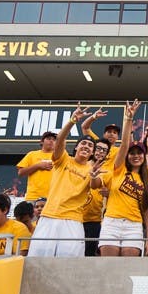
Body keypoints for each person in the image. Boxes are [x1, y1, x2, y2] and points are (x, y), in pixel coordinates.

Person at [27, 105, 101, 258]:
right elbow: (60, 140)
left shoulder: (91, 169)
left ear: (93, 152)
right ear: (76, 147)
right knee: (38, 259)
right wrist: (72, 121)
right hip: (49, 216)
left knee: (69, 262)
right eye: (83, 144)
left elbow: (95, 185)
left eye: (90, 146)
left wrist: (93, 176)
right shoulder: (63, 160)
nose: (86, 147)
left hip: (73, 220)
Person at [95, 99, 148, 257]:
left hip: (134, 226)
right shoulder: (119, 170)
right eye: (132, 153)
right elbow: (124, 145)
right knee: (108, 267)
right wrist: (128, 119)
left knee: (128, 269)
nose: (135, 156)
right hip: (111, 222)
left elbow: (147, 210)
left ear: (144, 155)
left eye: (139, 153)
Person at [82, 138, 111, 256]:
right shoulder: (81, 165)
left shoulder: (108, 171)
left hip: (94, 221)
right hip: (75, 218)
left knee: (89, 257)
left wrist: (109, 193)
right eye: (98, 148)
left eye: (104, 150)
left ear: (107, 154)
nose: (100, 152)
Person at [16, 131, 57, 203]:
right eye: (48, 138)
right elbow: (20, 172)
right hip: (33, 197)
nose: (51, 141)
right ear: (41, 142)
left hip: (53, 197)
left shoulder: (60, 157)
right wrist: (38, 166)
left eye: (54, 140)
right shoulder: (32, 154)